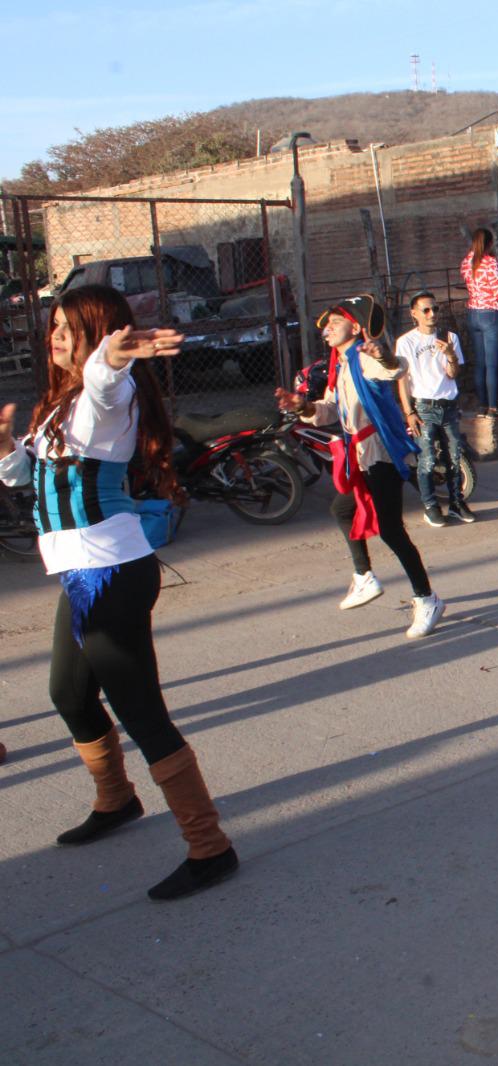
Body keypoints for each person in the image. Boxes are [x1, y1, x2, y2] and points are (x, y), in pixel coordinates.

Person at [0, 284, 239, 901]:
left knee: (141, 713)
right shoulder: (60, 405)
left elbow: (109, 380)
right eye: (52, 324)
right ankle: (117, 799)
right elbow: (31, 472)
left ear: (99, 332)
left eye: (68, 327)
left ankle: (210, 848)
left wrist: (110, 355)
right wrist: (5, 448)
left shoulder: (110, 395)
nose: (54, 335)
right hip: (78, 574)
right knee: (68, 692)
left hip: (112, 572)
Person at [276, 294, 445, 639]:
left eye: (334, 324)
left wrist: (383, 353)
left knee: (390, 529)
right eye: (324, 328)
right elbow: (328, 409)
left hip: (380, 454)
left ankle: (426, 598)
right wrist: (302, 406)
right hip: (360, 453)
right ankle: (364, 577)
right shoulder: (339, 363)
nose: (326, 332)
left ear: (354, 327)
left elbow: (396, 369)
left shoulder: (364, 358)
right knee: (341, 508)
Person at [395, 292, 474, 526]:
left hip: (448, 404)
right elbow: (402, 380)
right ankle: (430, 505)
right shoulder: (406, 342)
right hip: (423, 406)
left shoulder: (449, 338)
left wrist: (450, 355)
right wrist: (408, 412)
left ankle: (456, 503)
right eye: (426, 310)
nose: (432, 314)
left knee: (454, 456)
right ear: (414, 314)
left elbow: (453, 374)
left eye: (435, 309)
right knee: (427, 459)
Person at [460, 227, 498, 418]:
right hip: (492, 313)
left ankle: (482, 404)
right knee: (493, 364)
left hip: (473, 311)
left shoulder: (467, 262)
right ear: (489, 243)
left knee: (480, 362)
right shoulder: (491, 262)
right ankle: (494, 406)